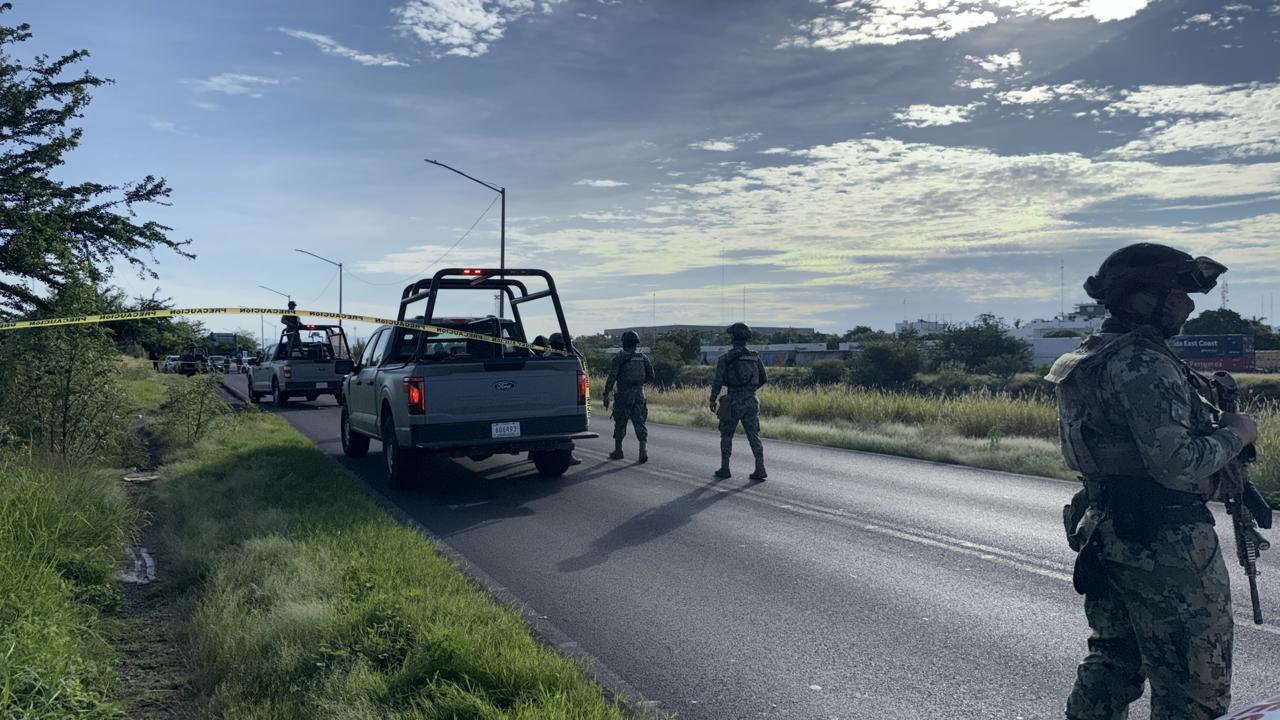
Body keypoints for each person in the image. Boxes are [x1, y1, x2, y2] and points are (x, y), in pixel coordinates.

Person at [1048, 243, 1259, 720]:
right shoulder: (1144, 362)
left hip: (1109, 530)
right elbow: (1177, 463)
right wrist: (1236, 433)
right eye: (1178, 292)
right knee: (1192, 680)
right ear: (1142, 299)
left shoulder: (1090, 356)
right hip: (1166, 540)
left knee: (1115, 661)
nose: (1188, 303)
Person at [709, 322, 768, 480]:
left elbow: (718, 381)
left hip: (732, 400)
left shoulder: (725, 358)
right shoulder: (754, 356)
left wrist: (713, 399)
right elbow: (764, 378)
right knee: (753, 435)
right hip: (751, 400)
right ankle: (760, 468)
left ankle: (725, 468)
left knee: (727, 435)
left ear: (733, 337)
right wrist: (750, 389)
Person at [602, 330, 654, 462]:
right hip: (639, 395)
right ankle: (643, 450)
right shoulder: (643, 357)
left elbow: (612, 377)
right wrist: (639, 384)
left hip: (623, 395)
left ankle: (618, 450)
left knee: (620, 422)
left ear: (624, 343)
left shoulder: (620, 357)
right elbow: (651, 376)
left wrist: (606, 394)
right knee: (640, 422)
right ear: (636, 343)